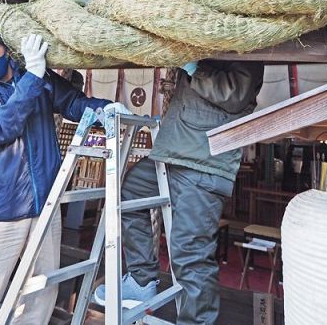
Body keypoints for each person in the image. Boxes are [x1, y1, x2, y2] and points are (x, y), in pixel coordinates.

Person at [0, 26, 126, 324]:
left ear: (4, 49)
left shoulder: (35, 76)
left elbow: (72, 102)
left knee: (40, 292)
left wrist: (105, 109)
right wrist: (33, 75)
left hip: (45, 204)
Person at [94, 60, 264, 324]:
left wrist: (194, 67)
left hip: (204, 161)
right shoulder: (202, 47)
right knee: (130, 193)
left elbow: (236, 95)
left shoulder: (247, 46)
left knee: (190, 252)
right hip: (170, 154)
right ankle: (141, 279)